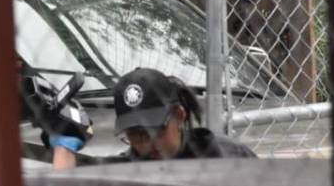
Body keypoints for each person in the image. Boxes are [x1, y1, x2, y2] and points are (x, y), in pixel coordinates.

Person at [49, 66, 256, 168]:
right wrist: (63, 145)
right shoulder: (121, 174)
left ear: (178, 116)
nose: (148, 144)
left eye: (156, 130)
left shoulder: (229, 158)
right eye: (136, 134)